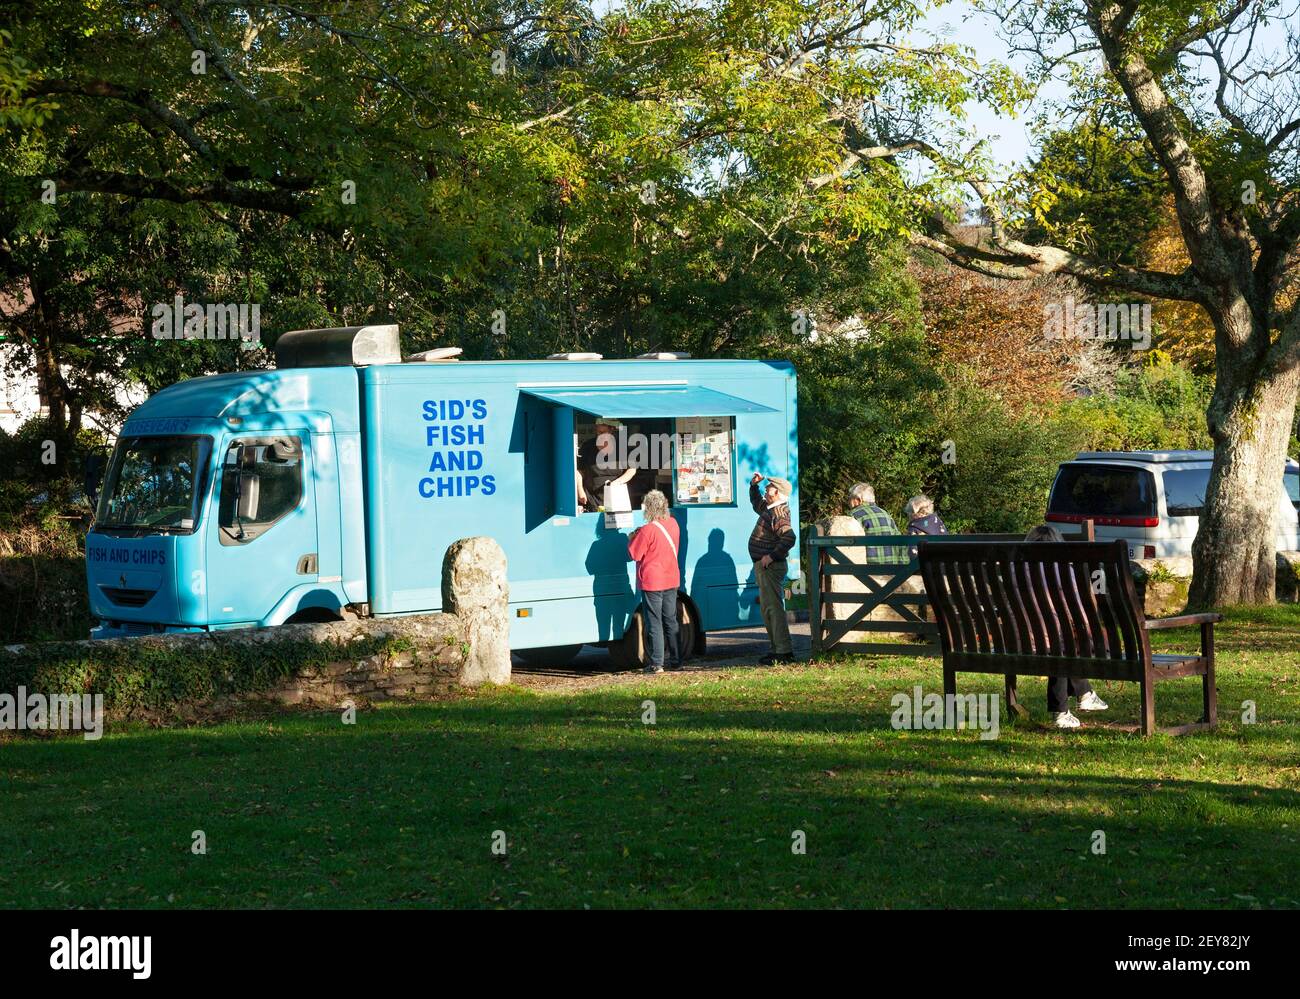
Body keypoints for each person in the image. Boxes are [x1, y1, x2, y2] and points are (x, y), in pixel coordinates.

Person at [1024, 523, 1109, 729]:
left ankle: (1085, 693)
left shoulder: (1016, 570)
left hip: (1020, 641)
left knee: (1059, 638)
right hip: (1055, 642)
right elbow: (1079, 609)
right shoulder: (1063, 570)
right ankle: (1062, 710)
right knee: (1066, 641)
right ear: (1058, 547)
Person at [627, 489, 682, 674]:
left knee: (654, 622)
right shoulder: (674, 524)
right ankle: (676, 659)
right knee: (671, 620)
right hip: (671, 578)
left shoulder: (647, 530)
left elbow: (634, 554)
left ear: (648, 508)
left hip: (653, 581)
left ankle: (657, 663)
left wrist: (631, 538)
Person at [749, 472, 796, 664]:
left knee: (773, 610)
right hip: (765, 567)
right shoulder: (771, 508)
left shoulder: (778, 512)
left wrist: (771, 556)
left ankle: (783, 652)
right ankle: (777, 649)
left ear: (776, 492)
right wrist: (754, 486)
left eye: (769, 487)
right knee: (769, 609)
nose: (767, 489)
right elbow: (756, 504)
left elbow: (789, 537)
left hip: (770, 567)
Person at [577, 418, 635, 512]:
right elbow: (579, 471)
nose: (600, 435)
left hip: (617, 499)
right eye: (598, 432)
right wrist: (580, 490)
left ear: (612, 431)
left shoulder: (622, 446)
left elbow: (632, 469)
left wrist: (617, 482)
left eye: (603, 432)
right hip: (592, 500)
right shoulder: (588, 446)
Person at [847, 482, 908, 564]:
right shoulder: (885, 513)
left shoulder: (854, 515)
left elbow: (848, 544)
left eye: (849, 498)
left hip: (867, 569)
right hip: (892, 567)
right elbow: (900, 539)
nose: (848, 502)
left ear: (858, 500)